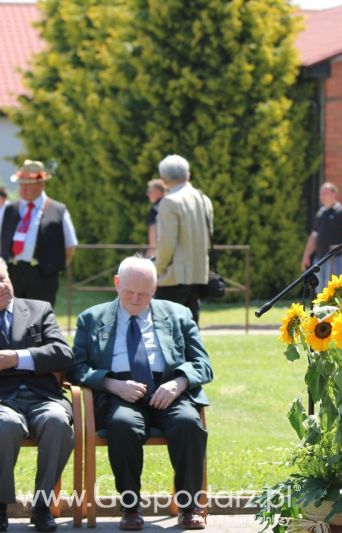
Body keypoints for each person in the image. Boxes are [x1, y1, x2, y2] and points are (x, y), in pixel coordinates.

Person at [69, 256, 213, 530]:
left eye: (144, 294)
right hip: (121, 393)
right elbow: (76, 368)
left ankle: (190, 506)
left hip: (168, 390)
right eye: (129, 293)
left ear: (155, 289)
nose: (135, 300)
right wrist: (111, 384)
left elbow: (203, 364)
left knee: (188, 425)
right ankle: (131, 507)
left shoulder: (178, 314)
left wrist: (179, 383)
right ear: (116, 284)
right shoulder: (91, 319)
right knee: (123, 425)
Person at [0, 257, 74, 532]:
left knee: (57, 422)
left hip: (43, 397)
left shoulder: (38, 310)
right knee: (3, 425)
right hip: (2, 401)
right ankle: (1, 505)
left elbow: (63, 354)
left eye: (3, 278)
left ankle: (43, 506)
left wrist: (16, 358)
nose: (2, 286)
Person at [1, 160, 78, 306]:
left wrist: (50, 270)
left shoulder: (58, 210)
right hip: (12, 273)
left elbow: (69, 248)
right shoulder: (11, 209)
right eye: (21, 183)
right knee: (9, 320)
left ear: (41, 185)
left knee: (38, 322)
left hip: (41, 276)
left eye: (28, 184)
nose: (23, 188)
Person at [154, 155, 213, 323]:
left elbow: (166, 242)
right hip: (198, 274)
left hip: (173, 276)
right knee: (191, 332)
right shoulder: (204, 199)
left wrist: (159, 268)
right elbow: (209, 238)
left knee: (165, 329)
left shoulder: (170, 202)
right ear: (187, 175)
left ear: (163, 179)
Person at [300, 182, 342, 287]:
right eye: (321, 194)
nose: (322, 196)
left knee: (333, 291)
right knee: (320, 291)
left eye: (325, 193)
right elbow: (314, 235)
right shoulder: (320, 213)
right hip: (319, 259)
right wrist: (306, 255)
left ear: (334, 194)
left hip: (336, 259)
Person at [146, 179, 166, 257]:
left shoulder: (156, 209)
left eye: (150, 192)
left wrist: (151, 249)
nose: (148, 195)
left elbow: (153, 230)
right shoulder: (171, 206)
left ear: (159, 192)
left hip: (160, 251)